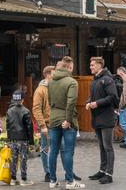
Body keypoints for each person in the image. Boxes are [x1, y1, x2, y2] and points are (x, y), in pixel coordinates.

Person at [47, 56, 84, 189]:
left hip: (54, 118)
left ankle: (52, 180)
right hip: (67, 120)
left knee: (53, 151)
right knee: (68, 152)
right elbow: (71, 102)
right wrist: (68, 120)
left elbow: (50, 101)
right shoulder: (72, 82)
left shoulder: (50, 81)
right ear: (69, 67)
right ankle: (70, 181)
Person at [85, 57, 119, 184]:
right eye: (90, 64)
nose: (90, 67)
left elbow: (112, 97)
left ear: (100, 65)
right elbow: (93, 96)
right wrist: (89, 102)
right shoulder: (95, 81)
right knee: (101, 147)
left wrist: (96, 104)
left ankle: (109, 174)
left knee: (108, 147)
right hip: (97, 118)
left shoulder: (107, 80)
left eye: (93, 65)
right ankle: (102, 170)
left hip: (107, 117)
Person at [5, 90, 34, 186]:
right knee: (23, 158)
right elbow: (29, 127)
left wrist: (8, 139)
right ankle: (23, 179)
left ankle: (13, 179)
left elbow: (8, 126)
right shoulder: (26, 111)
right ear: (22, 99)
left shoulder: (9, 111)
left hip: (13, 139)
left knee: (13, 159)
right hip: (23, 139)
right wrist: (31, 141)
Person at [32, 66, 54, 182]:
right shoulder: (40, 90)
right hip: (47, 125)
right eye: (53, 74)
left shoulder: (54, 86)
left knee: (62, 148)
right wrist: (42, 126)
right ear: (47, 75)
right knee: (45, 149)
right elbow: (36, 109)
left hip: (57, 124)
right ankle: (48, 172)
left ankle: (67, 172)